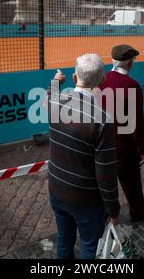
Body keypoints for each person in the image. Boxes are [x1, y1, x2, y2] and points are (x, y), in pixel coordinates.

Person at [47, 54, 120, 259]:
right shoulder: (103, 120)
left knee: (64, 240)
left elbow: (47, 98)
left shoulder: (55, 103)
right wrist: (114, 211)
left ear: (73, 78)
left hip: (57, 190)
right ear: (102, 82)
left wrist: (55, 81)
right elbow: (106, 175)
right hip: (86, 200)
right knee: (90, 246)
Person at [99, 45, 144, 222]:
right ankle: (137, 212)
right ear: (130, 63)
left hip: (102, 145)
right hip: (123, 146)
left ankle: (106, 213)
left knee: (104, 182)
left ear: (112, 61)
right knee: (131, 183)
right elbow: (136, 123)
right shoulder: (132, 85)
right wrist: (143, 149)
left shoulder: (100, 80)